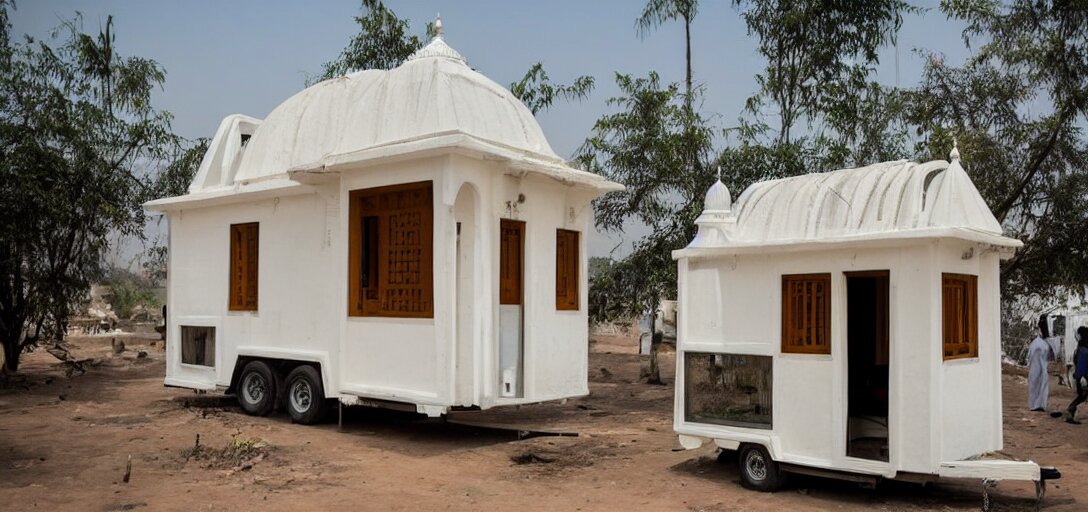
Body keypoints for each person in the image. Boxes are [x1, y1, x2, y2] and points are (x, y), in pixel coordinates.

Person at [1028, 315, 1056, 411]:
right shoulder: (1041, 343)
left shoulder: (1039, 343)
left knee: (1038, 385)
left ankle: (1038, 405)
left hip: (1039, 367)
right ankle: (1038, 405)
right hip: (1039, 367)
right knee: (1039, 385)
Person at [1065, 326, 1088, 424]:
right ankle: (1070, 410)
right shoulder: (1084, 347)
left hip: (1082, 375)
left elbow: (1081, 362)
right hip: (1083, 376)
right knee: (1082, 396)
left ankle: (1071, 410)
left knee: (1082, 396)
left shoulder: (1082, 346)